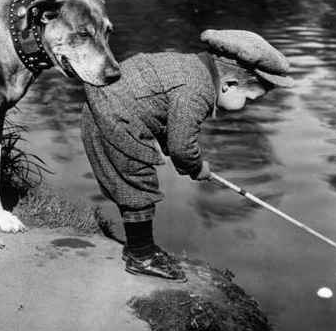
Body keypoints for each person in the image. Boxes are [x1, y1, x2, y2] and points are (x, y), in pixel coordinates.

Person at [81, 29, 294, 281]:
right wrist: (195, 167)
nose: (246, 105)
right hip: (114, 118)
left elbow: (163, 117)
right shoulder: (197, 91)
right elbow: (182, 147)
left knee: (134, 186)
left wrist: (181, 155)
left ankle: (139, 248)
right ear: (228, 85)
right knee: (137, 187)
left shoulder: (191, 68)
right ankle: (141, 257)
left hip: (108, 110)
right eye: (249, 99)